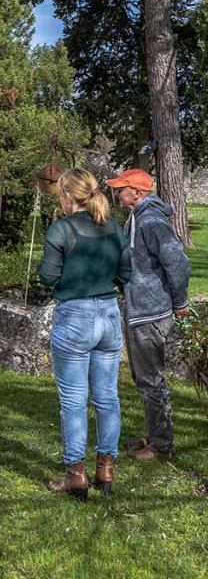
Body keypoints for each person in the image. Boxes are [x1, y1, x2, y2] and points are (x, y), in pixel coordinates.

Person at [40, 168, 132, 500]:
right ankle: (105, 470)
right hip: (108, 313)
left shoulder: (62, 229)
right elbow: (127, 271)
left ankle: (75, 474)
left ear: (67, 195)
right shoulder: (112, 228)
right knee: (107, 397)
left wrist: (70, 278)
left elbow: (48, 276)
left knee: (74, 400)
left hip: (76, 314)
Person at [106, 167, 191, 460]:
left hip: (150, 313)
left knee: (152, 379)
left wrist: (179, 302)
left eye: (122, 189)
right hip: (139, 310)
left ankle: (162, 446)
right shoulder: (137, 217)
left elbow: (178, 263)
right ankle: (155, 435)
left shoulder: (152, 221)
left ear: (138, 193)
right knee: (145, 378)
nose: (117, 193)